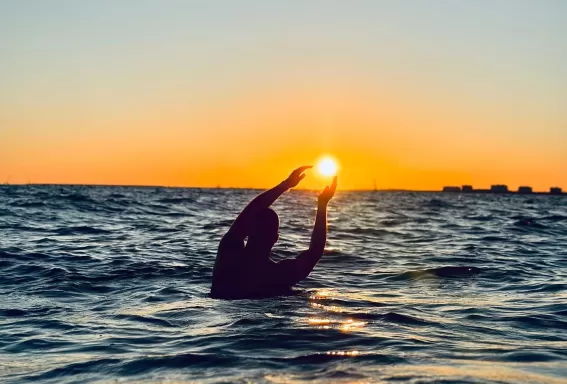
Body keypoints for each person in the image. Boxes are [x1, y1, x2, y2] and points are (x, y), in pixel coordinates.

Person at [210, 166, 337, 299]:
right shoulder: (279, 274)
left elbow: (250, 211)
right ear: (276, 238)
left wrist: (285, 185)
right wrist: (322, 204)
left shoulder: (229, 258)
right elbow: (315, 252)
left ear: (248, 231)